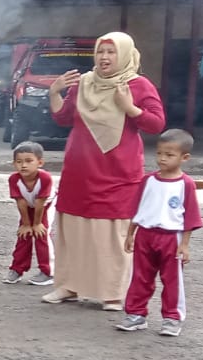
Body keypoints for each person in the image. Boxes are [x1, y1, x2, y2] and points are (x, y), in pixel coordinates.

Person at [41, 32, 165, 310]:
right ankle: (68, 286)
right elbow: (63, 118)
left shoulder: (138, 85)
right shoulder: (84, 83)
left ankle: (113, 293)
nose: (104, 57)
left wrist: (129, 108)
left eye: (111, 52)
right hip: (79, 170)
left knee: (110, 234)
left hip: (117, 172)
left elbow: (156, 124)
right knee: (74, 230)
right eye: (100, 52)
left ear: (124, 54)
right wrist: (54, 92)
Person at [116, 129, 203, 338]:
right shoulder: (148, 181)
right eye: (159, 153)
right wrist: (130, 234)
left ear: (185, 158)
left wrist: (185, 245)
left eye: (169, 155)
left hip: (171, 237)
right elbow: (138, 208)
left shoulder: (186, 184)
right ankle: (136, 314)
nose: (162, 159)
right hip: (145, 235)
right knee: (140, 277)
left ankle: (172, 318)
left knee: (172, 279)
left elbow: (190, 216)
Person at [4, 141, 54, 286]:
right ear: (14, 164)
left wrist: (36, 224)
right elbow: (20, 201)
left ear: (40, 162)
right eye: (19, 162)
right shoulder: (14, 179)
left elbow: (40, 202)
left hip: (46, 206)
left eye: (28, 161)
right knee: (23, 234)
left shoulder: (44, 178)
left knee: (41, 234)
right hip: (29, 206)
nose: (23, 165)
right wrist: (26, 224)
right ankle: (17, 269)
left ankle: (48, 271)